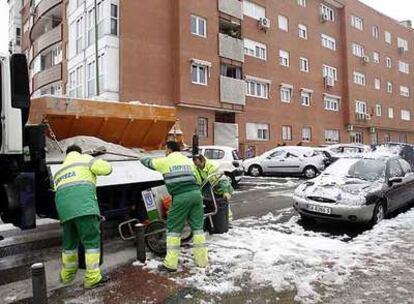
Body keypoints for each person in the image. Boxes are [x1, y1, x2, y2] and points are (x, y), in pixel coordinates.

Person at [141, 141, 208, 272]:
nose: (165, 152)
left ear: (169, 149)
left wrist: (141, 157)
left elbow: (148, 163)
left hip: (181, 196)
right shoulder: (188, 161)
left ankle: (170, 264)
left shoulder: (165, 161)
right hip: (196, 195)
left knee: (173, 230)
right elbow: (198, 179)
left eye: (165, 149)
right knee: (198, 229)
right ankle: (202, 261)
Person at [54, 144, 112, 289]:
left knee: (69, 244)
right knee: (91, 242)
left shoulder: (60, 169)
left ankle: (67, 276)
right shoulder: (85, 159)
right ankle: (92, 277)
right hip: (84, 208)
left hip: (64, 212)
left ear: (67, 154)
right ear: (79, 152)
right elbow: (107, 169)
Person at [192, 154, 234, 223]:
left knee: (223, 203)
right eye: (196, 165)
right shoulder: (196, 168)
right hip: (210, 187)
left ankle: (228, 221)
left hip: (220, 186)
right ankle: (214, 221)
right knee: (210, 204)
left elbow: (222, 180)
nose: (198, 167)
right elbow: (199, 181)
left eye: (199, 165)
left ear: (203, 161)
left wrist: (225, 191)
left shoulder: (213, 166)